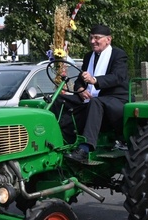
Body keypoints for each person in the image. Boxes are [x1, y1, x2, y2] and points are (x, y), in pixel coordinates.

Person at [51, 24, 129, 162]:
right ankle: (60, 139)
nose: (93, 41)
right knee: (59, 100)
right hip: (92, 99)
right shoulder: (88, 56)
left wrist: (94, 80)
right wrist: (80, 89)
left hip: (115, 100)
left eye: (97, 38)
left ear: (108, 39)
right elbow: (81, 79)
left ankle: (85, 149)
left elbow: (117, 77)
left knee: (95, 102)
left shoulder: (118, 55)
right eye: (91, 38)